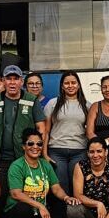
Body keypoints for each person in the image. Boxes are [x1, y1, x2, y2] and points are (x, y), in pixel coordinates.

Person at [4, 128, 80, 218]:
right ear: (23, 146)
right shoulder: (17, 166)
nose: (35, 147)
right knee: (23, 209)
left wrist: (66, 197)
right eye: (30, 144)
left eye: (39, 144)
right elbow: (15, 193)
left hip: (39, 213)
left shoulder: (45, 165)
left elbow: (56, 188)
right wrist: (39, 205)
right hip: (17, 213)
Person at [0, 65, 47, 198]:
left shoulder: (31, 100)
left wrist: (39, 152)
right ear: (3, 81)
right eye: (9, 79)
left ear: (21, 82)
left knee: (25, 195)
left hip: (24, 158)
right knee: (0, 195)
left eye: (15, 79)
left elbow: (41, 129)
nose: (12, 82)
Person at [44, 71, 91, 204]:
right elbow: (46, 131)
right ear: (62, 86)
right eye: (67, 83)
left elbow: (90, 131)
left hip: (79, 151)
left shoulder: (87, 105)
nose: (70, 85)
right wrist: (45, 154)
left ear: (78, 85)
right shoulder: (53, 103)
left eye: (73, 82)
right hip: (56, 151)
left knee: (77, 188)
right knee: (60, 187)